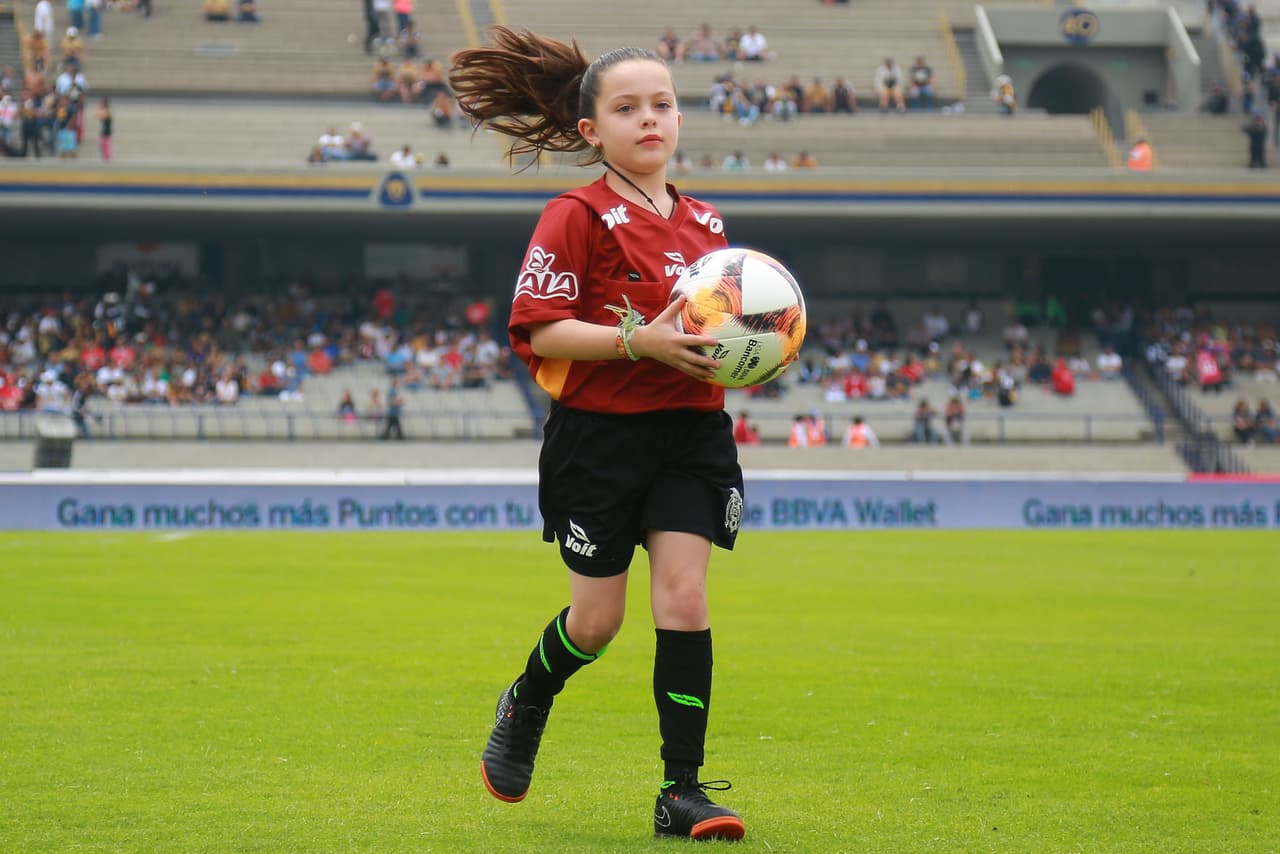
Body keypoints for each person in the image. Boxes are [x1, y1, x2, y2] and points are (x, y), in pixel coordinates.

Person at [448, 27, 746, 842]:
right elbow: (538, 331)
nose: (650, 120)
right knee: (597, 624)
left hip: (692, 433)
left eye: (662, 104)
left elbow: (723, 334)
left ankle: (681, 790)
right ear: (592, 131)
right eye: (628, 108)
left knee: (684, 599)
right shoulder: (573, 214)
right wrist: (636, 340)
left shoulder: (710, 223)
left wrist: (753, 353)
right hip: (600, 441)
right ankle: (529, 698)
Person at [96, 96, 111, 161]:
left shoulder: (106, 111)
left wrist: (100, 109)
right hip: (103, 132)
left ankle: (107, 158)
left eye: (101, 103)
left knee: (105, 146)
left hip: (106, 132)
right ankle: (105, 158)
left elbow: (100, 116)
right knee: (102, 145)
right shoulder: (104, 111)